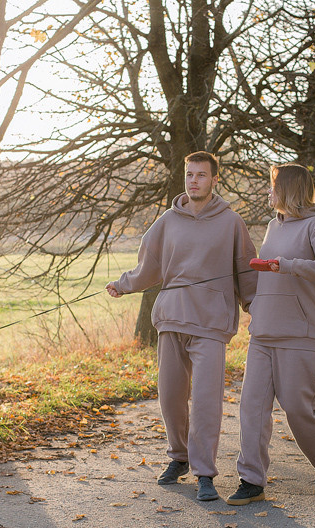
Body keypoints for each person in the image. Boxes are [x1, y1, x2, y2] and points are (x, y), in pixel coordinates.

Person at [107, 151, 258, 501]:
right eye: (189, 174)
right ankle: (179, 457)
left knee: (206, 400)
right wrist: (125, 284)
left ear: (214, 180)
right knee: (171, 395)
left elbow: (246, 270)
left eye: (201, 175)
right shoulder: (168, 220)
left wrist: (254, 307)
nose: (194, 181)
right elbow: (150, 264)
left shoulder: (231, 222)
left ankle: (205, 472)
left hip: (210, 323)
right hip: (172, 316)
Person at [226, 163, 315, 506]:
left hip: (301, 331)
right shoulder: (271, 227)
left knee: (296, 407)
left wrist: (289, 265)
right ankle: (251, 479)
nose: (268, 192)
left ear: (289, 191)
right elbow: (266, 273)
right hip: (264, 331)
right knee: (252, 406)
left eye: (273, 187)